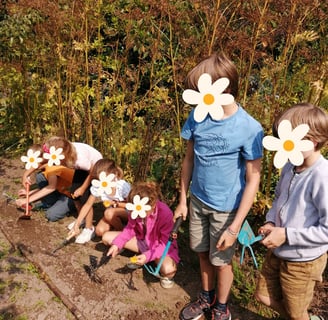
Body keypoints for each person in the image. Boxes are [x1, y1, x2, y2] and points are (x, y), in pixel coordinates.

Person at [174, 52, 263, 320]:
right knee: (202, 254)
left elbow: (253, 179)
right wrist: (182, 199)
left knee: (221, 262)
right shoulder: (197, 116)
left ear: (222, 87)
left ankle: (222, 308)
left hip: (226, 211)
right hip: (198, 202)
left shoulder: (249, 128)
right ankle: (206, 297)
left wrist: (235, 227)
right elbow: (189, 158)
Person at [255, 103, 328, 320]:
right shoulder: (290, 166)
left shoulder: (322, 177)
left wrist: (287, 234)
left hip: (303, 261)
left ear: (312, 140)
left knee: (297, 312)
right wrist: (270, 222)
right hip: (279, 251)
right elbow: (279, 198)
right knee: (262, 295)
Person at [103, 181, 180, 289]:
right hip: (142, 241)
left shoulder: (165, 214)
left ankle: (151, 261)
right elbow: (130, 229)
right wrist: (117, 244)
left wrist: (147, 256)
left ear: (153, 206)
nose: (138, 214)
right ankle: (143, 257)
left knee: (168, 271)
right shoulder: (135, 209)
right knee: (107, 238)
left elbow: (164, 244)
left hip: (159, 248)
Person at [21, 136, 103, 213]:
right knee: (74, 192)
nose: (33, 166)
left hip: (96, 168)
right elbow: (39, 163)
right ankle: (77, 213)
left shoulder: (80, 161)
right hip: (75, 174)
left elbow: (51, 187)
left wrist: (82, 188)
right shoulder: (55, 155)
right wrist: (26, 175)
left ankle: (82, 214)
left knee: (53, 214)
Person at [16, 144, 89, 221]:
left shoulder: (51, 169)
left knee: (51, 215)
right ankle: (52, 203)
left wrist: (27, 200)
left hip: (74, 196)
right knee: (40, 176)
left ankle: (71, 207)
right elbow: (52, 186)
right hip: (63, 191)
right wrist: (29, 192)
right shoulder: (48, 166)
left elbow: (51, 187)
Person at [68, 158, 131, 244]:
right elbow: (87, 205)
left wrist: (116, 204)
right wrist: (77, 224)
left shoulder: (122, 186)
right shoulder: (99, 186)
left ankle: (123, 235)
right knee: (99, 231)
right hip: (112, 214)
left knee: (109, 213)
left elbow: (132, 206)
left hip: (127, 213)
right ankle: (119, 229)